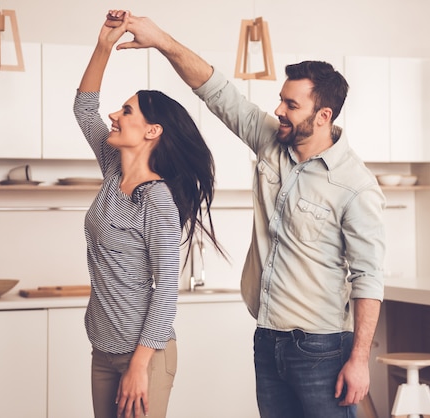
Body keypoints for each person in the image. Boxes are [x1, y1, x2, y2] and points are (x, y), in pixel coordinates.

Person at [112, 11, 387, 418]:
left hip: (321, 347)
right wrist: (162, 40)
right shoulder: (271, 142)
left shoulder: (355, 185)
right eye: (280, 98)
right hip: (267, 338)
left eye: (291, 104)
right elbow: (215, 89)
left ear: (323, 116)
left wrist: (359, 359)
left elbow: (368, 277)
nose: (278, 109)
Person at [74, 10, 223, 418]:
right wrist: (104, 45)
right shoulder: (112, 168)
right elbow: (85, 109)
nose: (113, 116)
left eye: (126, 111)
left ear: (152, 131)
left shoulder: (156, 200)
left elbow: (165, 293)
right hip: (102, 350)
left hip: (143, 357)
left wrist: (139, 366)